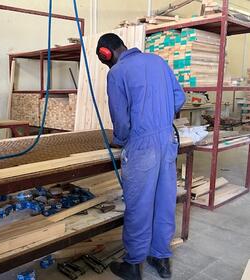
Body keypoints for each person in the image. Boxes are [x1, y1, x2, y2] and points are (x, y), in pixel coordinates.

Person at [96, 33, 185, 280]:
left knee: (139, 205)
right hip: (168, 141)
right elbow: (179, 97)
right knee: (164, 200)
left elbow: (121, 121)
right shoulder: (157, 61)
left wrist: (121, 140)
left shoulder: (116, 73)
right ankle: (161, 258)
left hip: (142, 146)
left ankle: (133, 264)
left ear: (106, 54)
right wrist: (161, 117)